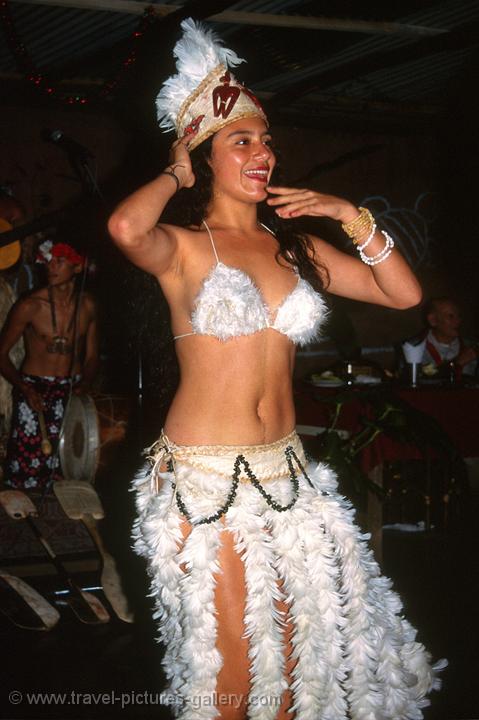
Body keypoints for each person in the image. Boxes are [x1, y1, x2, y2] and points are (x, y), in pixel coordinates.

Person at [109, 19, 444, 720]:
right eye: (242, 141)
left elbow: (403, 295)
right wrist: (174, 171)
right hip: (205, 480)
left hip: (287, 475)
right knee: (231, 669)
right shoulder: (182, 247)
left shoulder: (292, 249)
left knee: (294, 659)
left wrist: (347, 214)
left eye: (266, 142)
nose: (263, 153)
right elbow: (124, 230)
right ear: (205, 155)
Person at [0, 240, 98, 490]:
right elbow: (1, 354)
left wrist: (85, 384)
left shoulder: (88, 306)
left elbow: (91, 357)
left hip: (72, 391)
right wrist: (25, 388)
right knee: (26, 470)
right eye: (49, 261)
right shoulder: (30, 306)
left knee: (71, 469)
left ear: (77, 268)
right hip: (34, 391)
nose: (50, 267)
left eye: (59, 261)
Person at [422, 297, 478, 378]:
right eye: (450, 316)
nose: (458, 321)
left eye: (459, 316)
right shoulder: (417, 349)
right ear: (433, 320)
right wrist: (457, 363)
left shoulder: (472, 347)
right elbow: (423, 378)